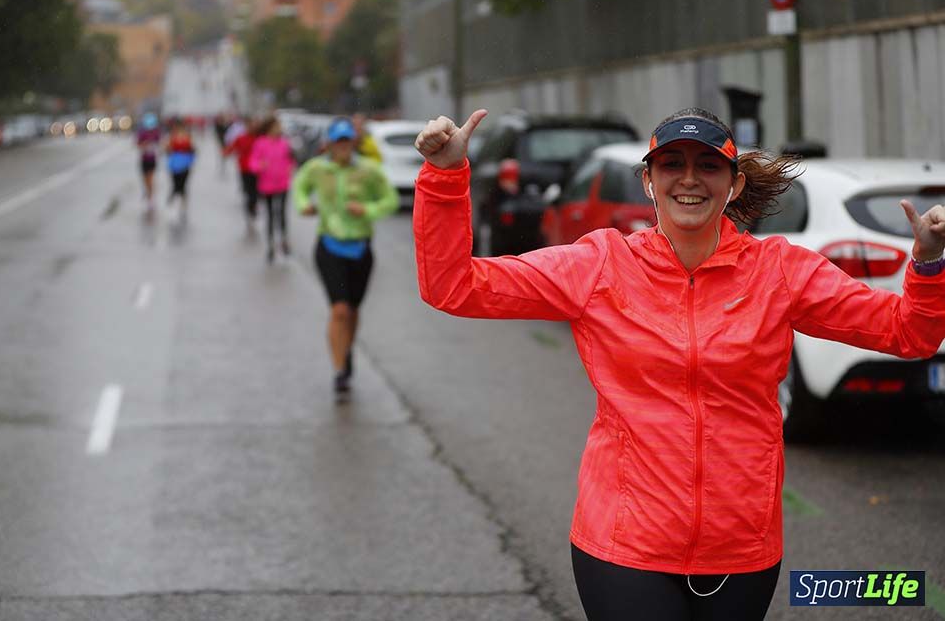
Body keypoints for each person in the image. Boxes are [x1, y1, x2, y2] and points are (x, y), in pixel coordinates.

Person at [412, 107, 945, 621]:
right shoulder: (599, 264)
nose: (689, 179)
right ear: (649, 181)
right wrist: (444, 175)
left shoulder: (780, 271)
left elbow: (909, 332)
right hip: (625, 544)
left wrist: (928, 264)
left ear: (734, 185)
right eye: (672, 164)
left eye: (708, 165)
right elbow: (454, 287)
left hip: (742, 547)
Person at [292, 117, 399, 400]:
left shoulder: (369, 170)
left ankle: (346, 350)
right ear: (329, 143)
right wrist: (304, 205)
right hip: (329, 246)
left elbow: (390, 200)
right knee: (339, 310)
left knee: (352, 311)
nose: (342, 147)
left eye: (346, 141)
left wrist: (367, 209)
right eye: (337, 141)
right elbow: (299, 186)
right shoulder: (317, 169)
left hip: (361, 249)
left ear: (353, 142)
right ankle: (340, 371)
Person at [249, 117, 296, 262]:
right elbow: (253, 162)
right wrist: (260, 166)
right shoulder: (260, 143)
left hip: (282, 183)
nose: (279, 129)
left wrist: (290, 168)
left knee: (281, 213)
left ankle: (283, 241)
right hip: (267, 184)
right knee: (270, 215)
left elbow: (290, 159)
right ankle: (270, 245)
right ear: (269, 128)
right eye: (276, 126)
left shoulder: (284, 143)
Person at [224, 117, 260, 231]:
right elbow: (232, 147)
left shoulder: (258, 138)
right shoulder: (241, 138)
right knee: (248, 190)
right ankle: (249, 209)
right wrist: (225, 152)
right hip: (244, 168)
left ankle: (253, 207)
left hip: (257, 169)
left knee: (255, 191)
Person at [165, 118, 197, 214]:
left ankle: (183, 204)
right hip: (174, 164)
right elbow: (167, 150)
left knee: (183, 184)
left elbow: (193, 149)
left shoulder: (188, 137)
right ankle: (175, 196)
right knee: (175, 183)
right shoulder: (172, 137)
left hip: (185, 164)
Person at [135, 112, 161, 209]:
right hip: (144, 160)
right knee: (145, 180)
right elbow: (137, 144)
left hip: (152, 160)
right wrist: (144, 145)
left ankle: (150, 198)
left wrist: (154, 147)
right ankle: (148, 192)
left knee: (150, 179)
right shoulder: (142, 133)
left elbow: (159, 144)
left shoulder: (156, 133)